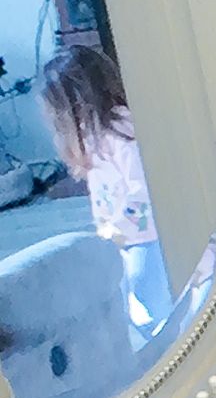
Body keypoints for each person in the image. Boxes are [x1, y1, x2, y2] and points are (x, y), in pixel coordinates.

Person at [37, 39, 173, 337]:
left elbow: (143, 189)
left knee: (150, 308)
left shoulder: (119, 130)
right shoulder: (92, 135)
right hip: (123, 239)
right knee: (135, 309)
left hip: (145, 237)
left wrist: (118, 228)